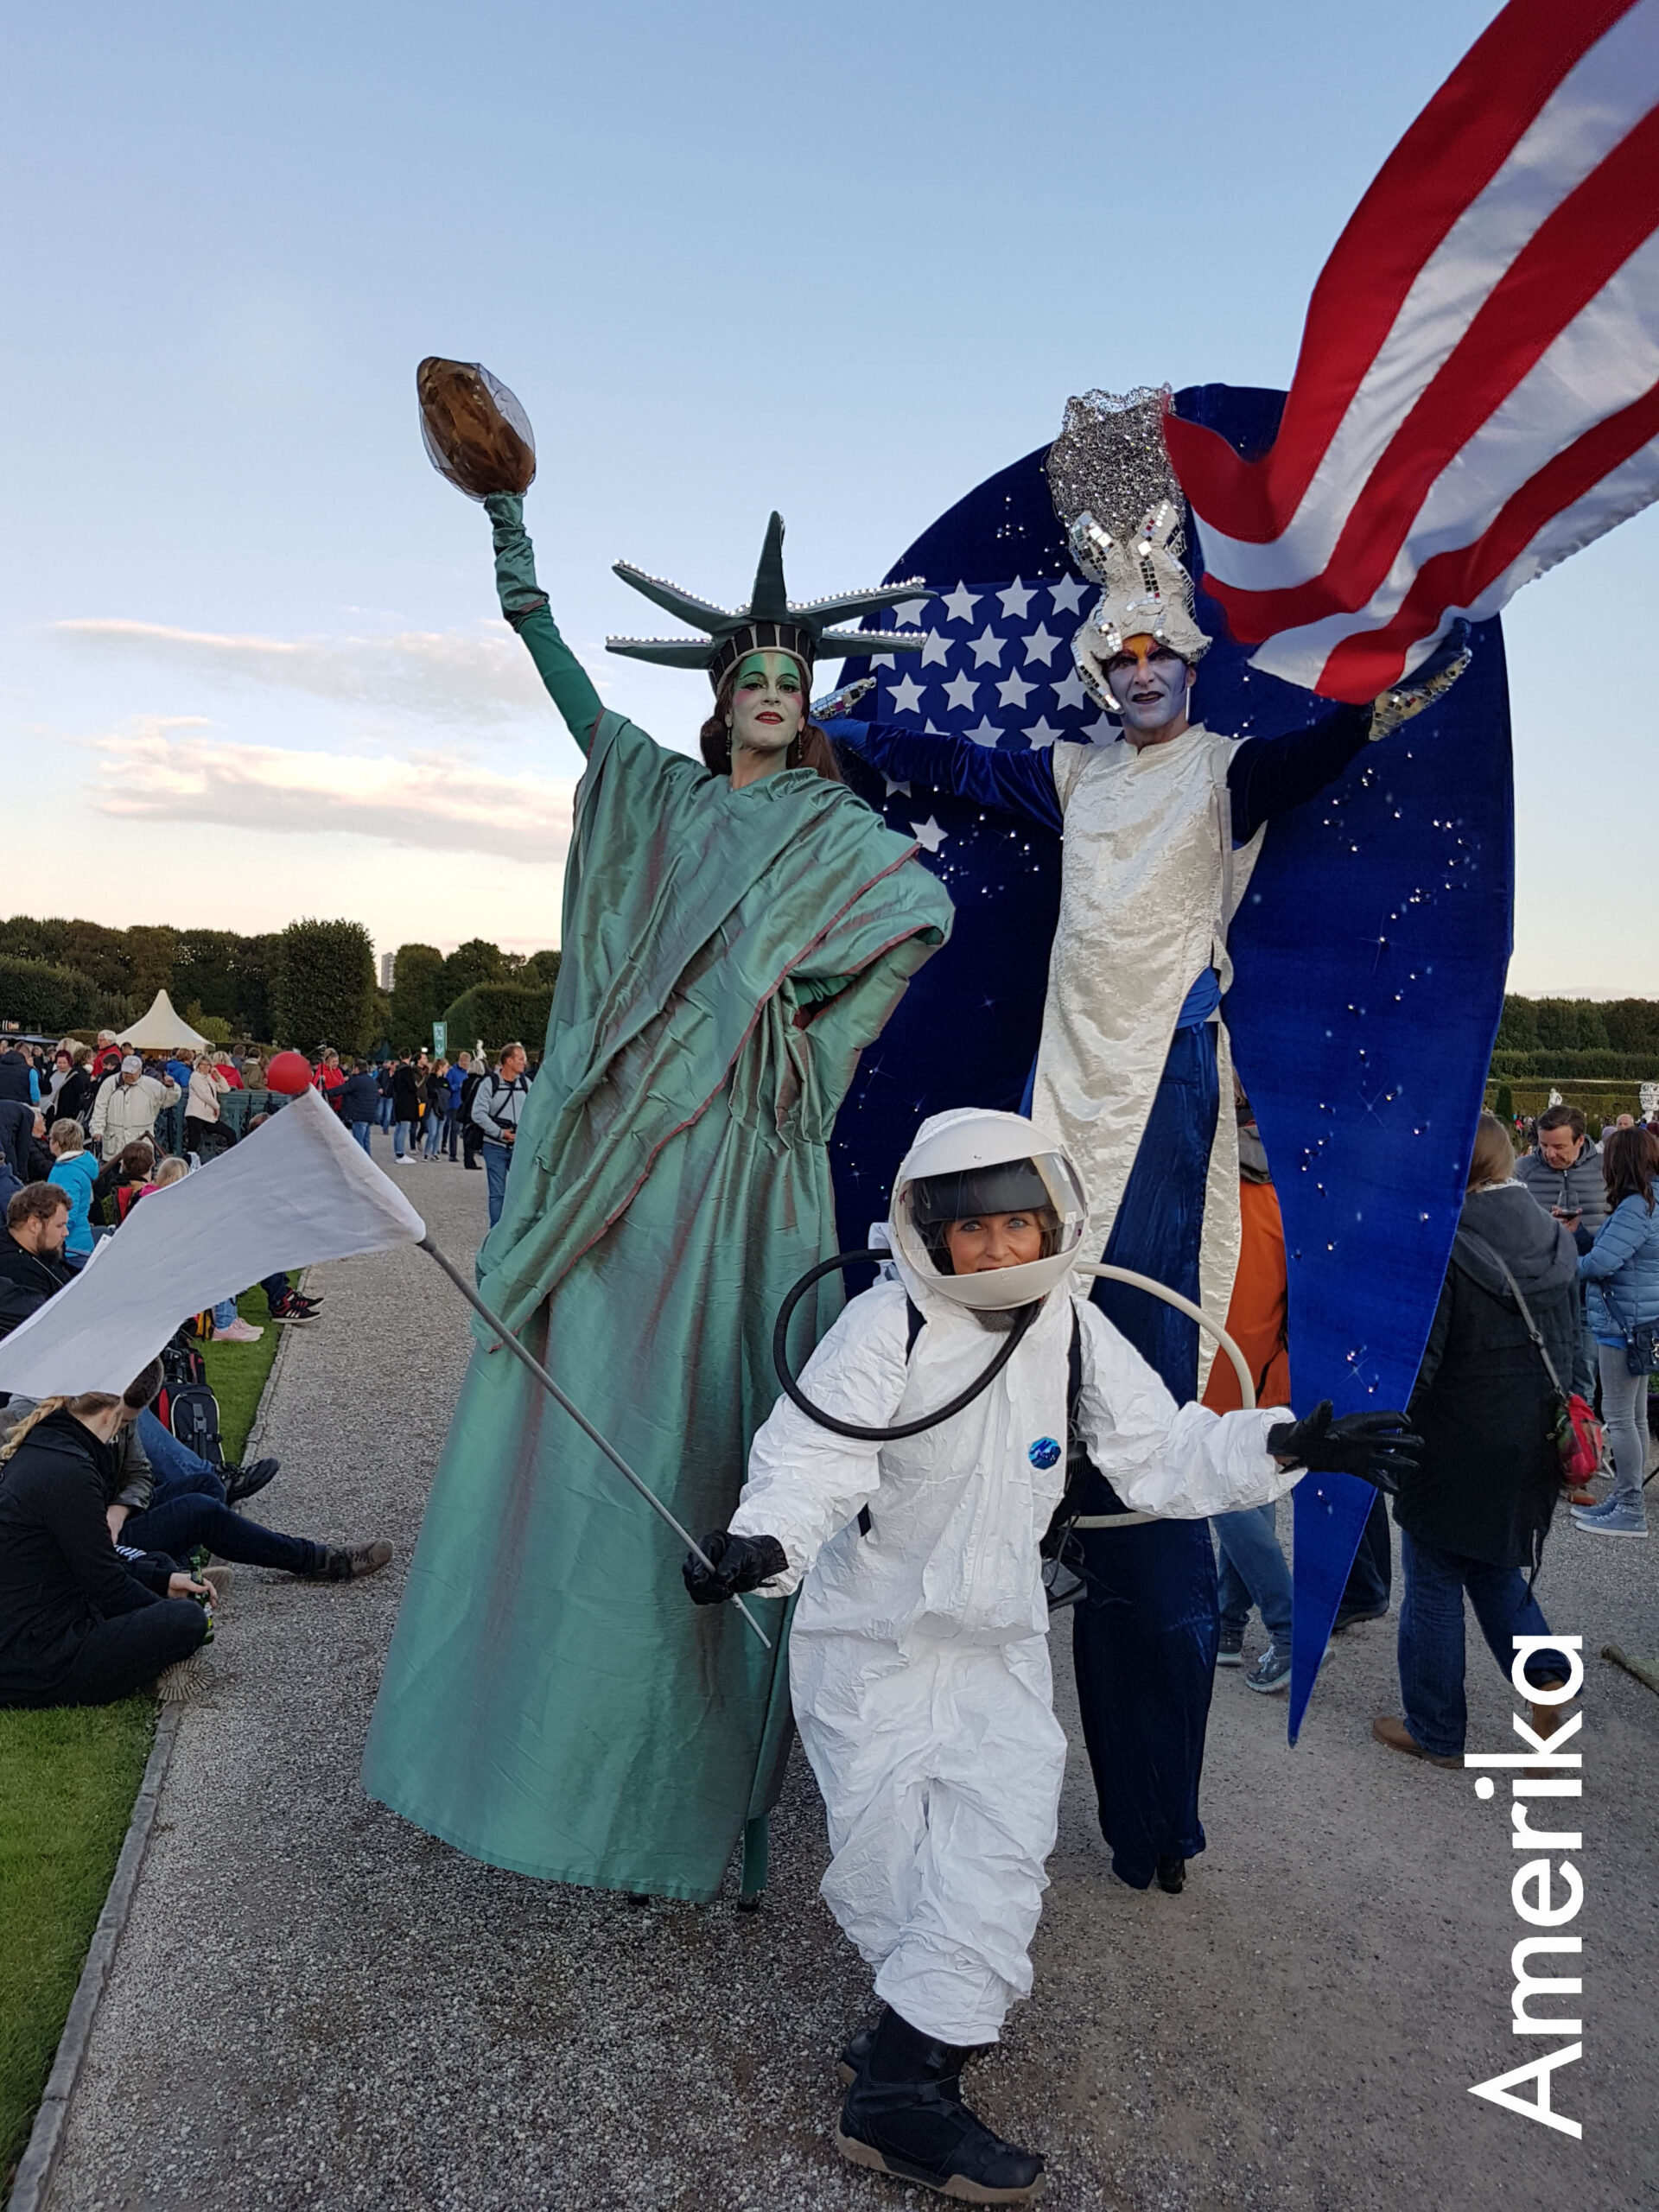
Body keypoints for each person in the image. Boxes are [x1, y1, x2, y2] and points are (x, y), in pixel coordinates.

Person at [832, 389, 1467, 1891]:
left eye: (1153, 655)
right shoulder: (1074, 775)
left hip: (1168, 1085)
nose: (1134, 675)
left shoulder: (1223, 770)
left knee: (1147, 1408)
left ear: (1187, 662)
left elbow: (1318, 753)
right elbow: (958, 767)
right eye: (1114, 659)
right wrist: (843, 733)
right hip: (1062, 1092)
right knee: (1015, 1340)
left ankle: (1152, 1810)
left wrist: (1380, 690)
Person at [363, 384, 950, 1906]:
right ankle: (563, 1756)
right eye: (753, 673)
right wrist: (514, 547)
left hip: (749, 1163)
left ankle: (699, 1790)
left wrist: (809, 1038)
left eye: (792, 677)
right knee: (591, 1444)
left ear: (809, 705)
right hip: (629, 1166)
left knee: (722, 1443)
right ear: (720, 697)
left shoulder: (837, 836)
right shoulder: (660, 799)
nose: (772, 690)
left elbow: (919, 917)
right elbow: (572, 696)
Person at [687, 1109, 1415, 2198]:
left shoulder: (1068, 1324)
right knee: (889, 1862)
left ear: (1051, 1224)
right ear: (928, 1231)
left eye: (1018, 1225)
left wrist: (1282, 1441)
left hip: (998, 1643)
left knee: (997, 1848)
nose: (997, 1251)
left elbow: (1159, 1449)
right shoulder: (885, 1328)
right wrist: (763, 1543)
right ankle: (909, 2038)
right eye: (972, 1230)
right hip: (874, 1646)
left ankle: (898, 2093)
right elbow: (814, 1459)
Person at [1374, 1114, 1580, 1764]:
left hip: (1455, 1436)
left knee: (1433, 1573)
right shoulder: (1555, 1235)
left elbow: (1422, 1364)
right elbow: (1572, 1348)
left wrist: (1382, 1424)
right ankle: (1547, 1677)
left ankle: (1435, 1729)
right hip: (1536, 1433)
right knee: (1492, 1562)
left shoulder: (1446, 1242)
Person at [0, 1362, 214, 1708]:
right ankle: (149, 1664)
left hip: (34, 1628)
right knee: (186, 1620)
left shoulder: (48, 1447)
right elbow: (106, 1584)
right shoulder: (70, 1471)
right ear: (112, 1414)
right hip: (37, 1656)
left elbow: (91, 1560)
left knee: (159, 1568)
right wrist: (164, 1609)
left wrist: (162, 1582)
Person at [1201, 1090, 1296, 1694]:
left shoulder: (1209, 1184)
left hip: (1213, 1357)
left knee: (1221, 1489)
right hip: (1268, 1361)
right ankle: (1228, 1625)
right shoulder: (1292, 1182)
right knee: (1250, 1487)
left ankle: (1289, 1623)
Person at [1569, 1125, 1659, 1540]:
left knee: (1621, 1419)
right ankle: (1626, 1497)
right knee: (1635, 1418)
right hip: (1641, 1320)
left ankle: (1630, 1508)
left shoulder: (1636, 1207)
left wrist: (1566, 1263)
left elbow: (1601, 1264)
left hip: (1622, 1323)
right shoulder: (1650, 1201)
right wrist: (1581, 1235)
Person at [1515, 1103, 1607, 1393]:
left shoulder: (1605, 1169)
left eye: (1558, 1146)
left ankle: (1580, 1422)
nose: (1549, 1154)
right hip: (1541, 1291)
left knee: (1584, 1377)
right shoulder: (1523, 1171)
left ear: (1580, 1141)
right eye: (1543, 1145)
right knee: (1538, 1379)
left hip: (1590, 1293)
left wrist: (1579, 1234)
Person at [470, 1044, 527, 1225]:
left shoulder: (526, 1084)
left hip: (520, 1146)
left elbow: (538, 1111)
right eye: (520, 1059)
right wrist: (500, 1133)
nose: (525, 1063)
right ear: (508, 1061)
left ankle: (517, 1228)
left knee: (524, 1191)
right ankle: (496, 1232)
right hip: (495, 1145)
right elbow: (478, 1113)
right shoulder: (489, 1084)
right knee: (497, 1193)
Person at [90, 1054, 180, 1158]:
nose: (129, 1075)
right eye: (126, 1072)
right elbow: (100, 1107)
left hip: (141, 1143)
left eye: (132, 1073)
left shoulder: (152, 1085)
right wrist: (97, 1129)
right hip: (114, 1145)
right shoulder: (109, 1083)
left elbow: (168, 1100)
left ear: (140, 1071)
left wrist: (170, 1088)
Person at [46, 1121, 99, 1263]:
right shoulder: (76, 1166)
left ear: (57, 1143)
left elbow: (68, 1213)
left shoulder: (67, 1172)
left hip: (71, 1249)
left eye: (50, 1138)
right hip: (79, 1243)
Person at [184, 1055, 230, 1158]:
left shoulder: (209, 1079)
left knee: (230, 1133)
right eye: (202, 1065)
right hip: (196, 1114)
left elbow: (225, 1089)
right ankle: (189, 1163)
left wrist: (218, 1076)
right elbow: (203, 1095)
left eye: (208, 1065)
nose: (205, 1067)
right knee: (193, 1144)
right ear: (198, 1066)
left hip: (208, 1117)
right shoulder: (195, 1077)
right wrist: (217, 1107)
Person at [338, 1059, 381, 1154]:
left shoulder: (356, 1080)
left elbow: (342, 1089)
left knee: (358, 1144)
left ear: (357, 1069)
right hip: (369, 1114)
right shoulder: (372, 1081)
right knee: (366, 1142)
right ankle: (368, 1161)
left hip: (359, 1115)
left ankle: (361, 1162)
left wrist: (326, 1092)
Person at [390, 1052, 422, 1164]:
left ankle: (397, 1152)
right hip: (407, 1102)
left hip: (399, 1100)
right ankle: (400, 1154)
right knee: (404, 1128)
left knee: (398, 1128)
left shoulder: (397, 1070)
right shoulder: (407, 1071)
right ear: (410, 1057)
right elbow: (412, 1087)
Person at [457, 1052, 485, 1171]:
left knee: (467, 1134)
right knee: (474, 1134)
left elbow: (463, 1097)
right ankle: (471, 1159)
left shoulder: (466, 1081)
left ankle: (467, 1159)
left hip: (466, 1110)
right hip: (476, 1110)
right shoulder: (481, 1082)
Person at [423, 1058, 450, 1159]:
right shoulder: (431, 1078)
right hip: (433, 1107)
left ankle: (435, 1152)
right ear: (440, 1067)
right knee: (433, 1131)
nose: (448, 1069)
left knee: (439, 1132)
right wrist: (440, 1093)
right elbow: (430, 1093)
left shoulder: (445, 1080)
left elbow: (448, 1092)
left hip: (443, 1107)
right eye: (446, 1067)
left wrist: (439, 1093)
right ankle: (427, 1152)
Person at [443, 1051, 467, 1160]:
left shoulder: (467, 1072)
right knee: (454, 1128)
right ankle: (452, 1154)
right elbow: (448, 1086)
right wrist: (459, 1086)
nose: (466, 1066)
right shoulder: (452, 1071)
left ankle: (467, 1152)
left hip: (464, 1103)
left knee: (465, 1129)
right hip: (454, 1103)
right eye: (465, 1063)